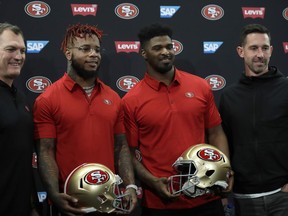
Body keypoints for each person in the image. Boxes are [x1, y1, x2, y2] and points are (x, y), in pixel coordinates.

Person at [122, 23, 232, 216]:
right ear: (144, 53)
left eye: (169, 46)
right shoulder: (131, 101)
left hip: (206, 196)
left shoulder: (200, 86)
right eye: (157, 48)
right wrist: (152, 181)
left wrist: (225, 169)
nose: (165, 52)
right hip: (160, 203)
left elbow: (216, 133)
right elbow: (128, 153)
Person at [33, 23, 137, 215]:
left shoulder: (113, 97)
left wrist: (130, 186)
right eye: (85, 49)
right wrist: (54, 194)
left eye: (97, 50)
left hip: (108, 200)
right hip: (70, 202)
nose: (94, 54)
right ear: (68, 53)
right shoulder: (47, 99)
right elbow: (45, 151)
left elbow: (121, 146)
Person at [219, 23, 288, 216]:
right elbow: (223, 143)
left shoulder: (286, 89)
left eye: (265, 48)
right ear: (241, 52)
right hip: (243, 198)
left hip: (282, 196)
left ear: (272, 51)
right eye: (253, 48)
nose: (260, 54)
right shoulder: (228, 97)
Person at [0, 22, 39, 215]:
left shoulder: (20, 96)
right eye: (11, 49)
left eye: (22, 50)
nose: (19, 56)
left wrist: (32, 203)